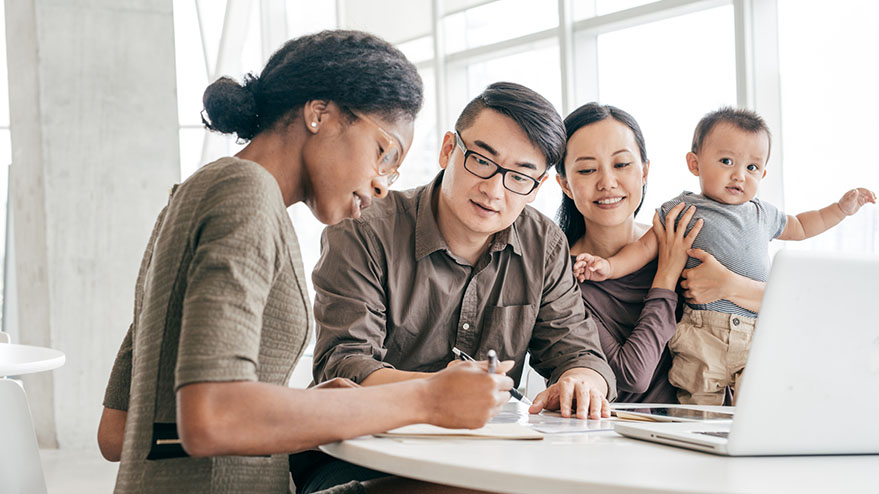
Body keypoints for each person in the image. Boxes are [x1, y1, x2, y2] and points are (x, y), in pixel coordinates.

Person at [96, 30, 514, 494]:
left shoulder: (194, 196)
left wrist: (305, 409)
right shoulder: (245, 194)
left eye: (392, 171)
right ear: (320, 113)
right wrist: (424, 397)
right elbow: (213, 417)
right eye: (383, 152)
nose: (381, 185)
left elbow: (120, 432)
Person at [300, 82, 617, 492]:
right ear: (449, 149)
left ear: (537, 188)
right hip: (359, 455)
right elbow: (342, 366)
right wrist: (436, 391)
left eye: (520, 176)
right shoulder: (364, 229)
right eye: (482, 160)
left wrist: (582, 383)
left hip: (482, 456)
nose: (494, 189)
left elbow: (580, 352)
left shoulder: (544, 244)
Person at [576, 106, 877, 405]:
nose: (739, 176)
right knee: (699, 400)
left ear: (645, 171)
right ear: (694, 164)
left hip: (753, 332)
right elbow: (641, 251)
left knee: (763, 406)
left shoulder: (762, 213)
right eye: (726, 161)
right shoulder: (679, 214)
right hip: (701, 335)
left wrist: (840, 210)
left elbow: (800, 228)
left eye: (752, 168)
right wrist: (608, 267)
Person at [555, 102, 702, 403]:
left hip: (715, 429)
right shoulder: (561, 277)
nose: (607, 182)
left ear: (645, 171)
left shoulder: (676, 239)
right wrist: (666, 275)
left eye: (622, 165)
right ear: (565, 185)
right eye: (586, 170)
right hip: (621, 441)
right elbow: (631, 375)